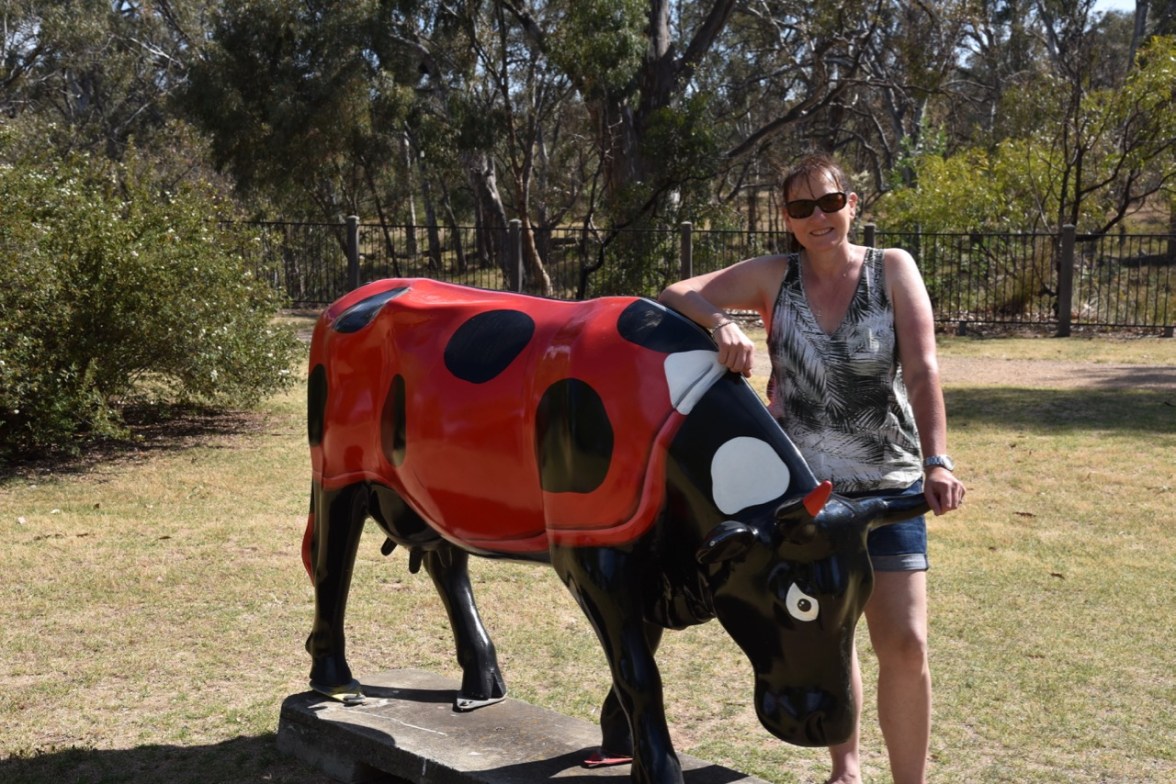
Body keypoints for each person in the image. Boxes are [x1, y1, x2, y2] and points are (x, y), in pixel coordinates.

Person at [658, 153, 965, 784]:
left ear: (851, 204)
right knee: (832, 633)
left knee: (905, 642)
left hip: (888, 488)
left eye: (828, 202)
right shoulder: (774, 277)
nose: (818, 218)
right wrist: (722, 324)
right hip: (809, 497)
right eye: (802, 208)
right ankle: (845, 770)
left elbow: (923, 369)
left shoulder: (892, 268)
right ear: (788, 219)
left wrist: (937, 460)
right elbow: (676, 293)